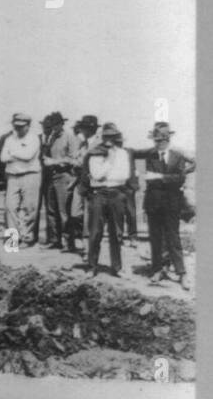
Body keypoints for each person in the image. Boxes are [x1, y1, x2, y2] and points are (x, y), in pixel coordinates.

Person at [139, 122, 195, 289]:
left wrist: (160, 177)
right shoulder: (151, 156)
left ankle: (181, 273)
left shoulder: (177, 156)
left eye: (163, 139)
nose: (160, 143)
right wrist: (158, 178)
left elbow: (180, 178)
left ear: (168, 139)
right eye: (157, 140)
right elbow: (146, 177)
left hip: (172, 203)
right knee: (155, 238)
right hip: (153, 202)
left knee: (173, 237)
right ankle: (157, 269)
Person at [85, 123, 131, 278]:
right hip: (99, 194)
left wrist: (107, 173)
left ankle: (117, 267)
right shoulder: (95, 153)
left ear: (116, 137)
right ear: (102, 138)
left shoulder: (123, 154)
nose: (109, 140)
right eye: (106, 137)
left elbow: (124, 176)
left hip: (116, 193)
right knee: (95, 231)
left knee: (117, 232)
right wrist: (110, 161)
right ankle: (92, 266)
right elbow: (96, 175)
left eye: (112, 137)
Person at [0, 113, 41, 249]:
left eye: (21, 126)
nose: (18, 129)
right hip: (12, 175)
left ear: (28, 126)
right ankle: (12, 241)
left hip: (31, 175)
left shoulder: (33, 138)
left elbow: (28, 155)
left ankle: (27, 237)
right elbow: (3, 157)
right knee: (10, 207)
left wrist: (13, 153)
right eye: (16, 126)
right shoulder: (10, 139)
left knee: (30, 207)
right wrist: (17, 154)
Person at [38, 112, 73, 250]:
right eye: (52, 125)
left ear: (61, 124)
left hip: (63, 175)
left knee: (63, 211)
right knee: (51, 210)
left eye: (56, 125)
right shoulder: (51, 137)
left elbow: (74, 159)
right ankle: (54, 240)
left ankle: (68, 242)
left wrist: (55, 161)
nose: (53, 127)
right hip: (50, 177)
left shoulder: (69, 137)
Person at [65, 114, 99, 254]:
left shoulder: (98, 144)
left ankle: (88, 249)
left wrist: (76, 162)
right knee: (75, 213)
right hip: (80, 183)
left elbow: (88, 163)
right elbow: (78, 161)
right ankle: (84, 243)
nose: (82, 131)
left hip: (93, 185)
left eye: (84, 128)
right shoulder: (83, 144)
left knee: (88, 218)